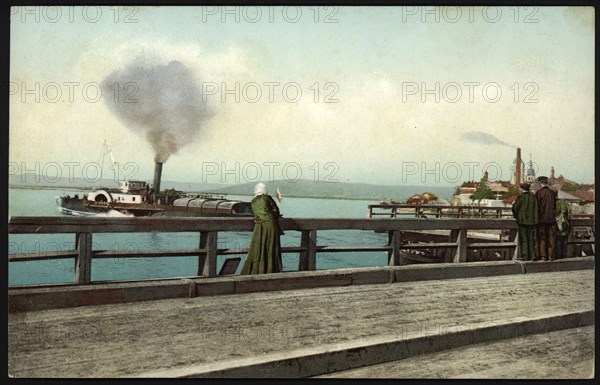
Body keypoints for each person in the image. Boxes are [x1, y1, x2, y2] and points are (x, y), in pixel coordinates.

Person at [240, 183, 283, 274]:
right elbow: (276, 211)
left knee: (258, 247)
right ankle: (271, 270)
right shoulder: (267, 198)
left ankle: (256, 270)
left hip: (259, 226)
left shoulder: (253, 200)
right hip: (270, 225)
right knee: (271, 247)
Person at [511, 183, 537, 261]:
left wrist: (516, 216)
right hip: (532, 221)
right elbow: (536, 210)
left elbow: (514, 208)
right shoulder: (533, 198)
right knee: (531, 239)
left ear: (522, 189)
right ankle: (533, 255)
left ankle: (525, 256)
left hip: (522, 221)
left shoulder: (520, 198)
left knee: (524, 239)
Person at [535, 176, 557, 261]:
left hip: (542, 219)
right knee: (551, 237)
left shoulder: (539, 193)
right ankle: (552, 256)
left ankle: (543, 256)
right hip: (551, 218)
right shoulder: (552, 193)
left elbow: (537, 207)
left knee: (542, 237)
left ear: (540, 183)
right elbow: (554, 205)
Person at [555, 193, 571, 259]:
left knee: (558, 241)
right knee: (564, 242)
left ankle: (559, 256)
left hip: (558, 225)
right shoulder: (563, 204)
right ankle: (564, 255)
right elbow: (567, 215)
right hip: (565, 225)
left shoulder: (554, 204)